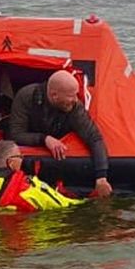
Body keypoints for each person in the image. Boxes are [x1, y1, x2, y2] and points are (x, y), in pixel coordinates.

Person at [8, 70, 113, 198]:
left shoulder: (75, 107)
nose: (75, 100)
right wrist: (44, 139)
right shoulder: (27, 96)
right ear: (54, 96)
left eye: (76, 95)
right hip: (32, 147)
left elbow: (94, 138)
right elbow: (16, 134)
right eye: (71, 96)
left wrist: (101, 177)